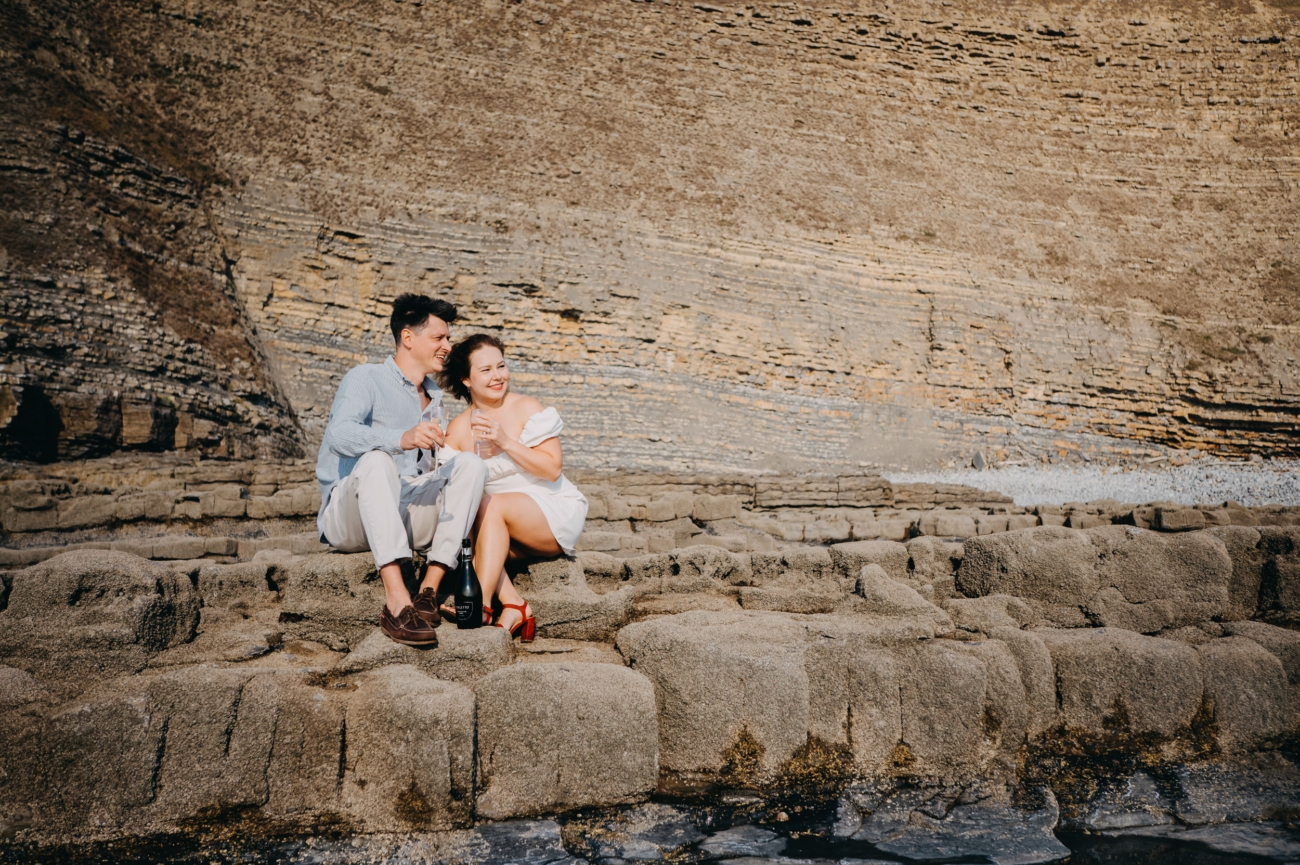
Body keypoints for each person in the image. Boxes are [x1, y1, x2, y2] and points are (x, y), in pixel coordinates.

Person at [315, 294, 488, 647]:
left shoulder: (435, 397)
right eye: (439, 337)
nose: (448, 346)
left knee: (471, 465)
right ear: (408, 337)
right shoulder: (365, 377)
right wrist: (400, 438)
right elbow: (338, 436)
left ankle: (428, 592)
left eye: (448, 338)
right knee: (378, 460)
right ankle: (396, 601)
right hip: (350, 516)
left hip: (404, 511)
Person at [436, 333, 587, 641]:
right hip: (498, 525)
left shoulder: (525, 407)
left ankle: (480, 604)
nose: (498, 376)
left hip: (550, 508)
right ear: (466, 379)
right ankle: (515, 605)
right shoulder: (458, 430)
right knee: (471, 513)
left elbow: (552, 469)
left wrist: (504, 441)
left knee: (489, 505)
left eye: (501, 366)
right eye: (486, 370)